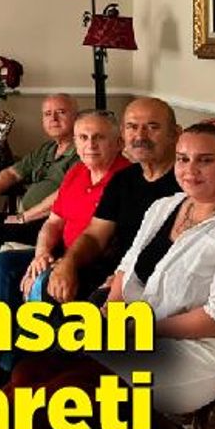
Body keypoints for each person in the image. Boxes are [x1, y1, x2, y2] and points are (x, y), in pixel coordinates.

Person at [95, 124, 215, 415]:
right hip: (134, 330)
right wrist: (112, 313)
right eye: (183, 159)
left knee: (82, 381)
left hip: (198, 351)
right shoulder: (163, 206)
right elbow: (127, 265)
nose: (190, 170)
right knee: (43, 365)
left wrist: (138, 329)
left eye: (205, 160)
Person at [43, 98, 181, 303]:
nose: (140, 136)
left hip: (153, 282)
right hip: (112, 271)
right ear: (123, 134)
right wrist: (68, 263)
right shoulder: (123, 179)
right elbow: (94, 236)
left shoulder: (186, 183)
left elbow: (179, 254)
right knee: (51, 287)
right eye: (132, 127)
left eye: (152, 127)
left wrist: (124, 279)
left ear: (175, 134)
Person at [0, 109, 130, 308]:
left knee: (42, 282)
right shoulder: (77, 171)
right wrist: (41, 255)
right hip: (62, 252)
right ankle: (1, 326)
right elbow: (53, 222)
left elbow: (111, 246)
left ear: (119, 143)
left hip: (92, 262)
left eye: (99, 137)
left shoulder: (126, 179)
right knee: (3, 263)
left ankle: (34, 326)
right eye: (83, 138)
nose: (90, 145)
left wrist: (64, 263)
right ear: (76, 142)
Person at [0, 94, 78, 284]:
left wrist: (24, 218)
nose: (53, 118)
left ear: (76, 117)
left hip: (48, 223)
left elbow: (65, 197)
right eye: (47, 114)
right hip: (26, 215)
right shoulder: (47, 149)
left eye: (61, 112)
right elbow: (10, 173)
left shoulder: (82, 152)